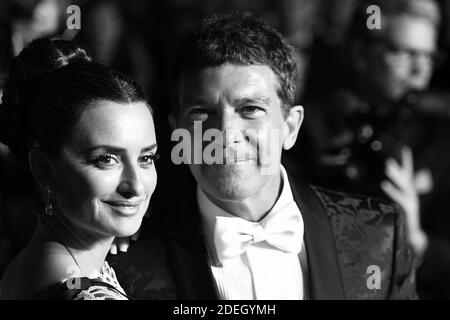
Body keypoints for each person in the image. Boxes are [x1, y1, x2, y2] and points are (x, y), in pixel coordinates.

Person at [109, 13, 416, 300]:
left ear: (290, 126)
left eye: (250, 110)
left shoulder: (378, 237)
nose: (226, 134)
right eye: (202, 113)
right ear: (177, 132)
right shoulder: (127, 256)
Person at [295, 0, 450, 299]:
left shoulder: (441, 139)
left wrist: (417, 241)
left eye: (429, 57)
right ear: (361, 54)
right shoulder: (305, 128)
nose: (420, 70)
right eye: (404, 53)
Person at [0, 38, 158, 300]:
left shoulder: (31, 265)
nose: (136, 187)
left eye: (146, 158)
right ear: (44, 169)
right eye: (106, 159)